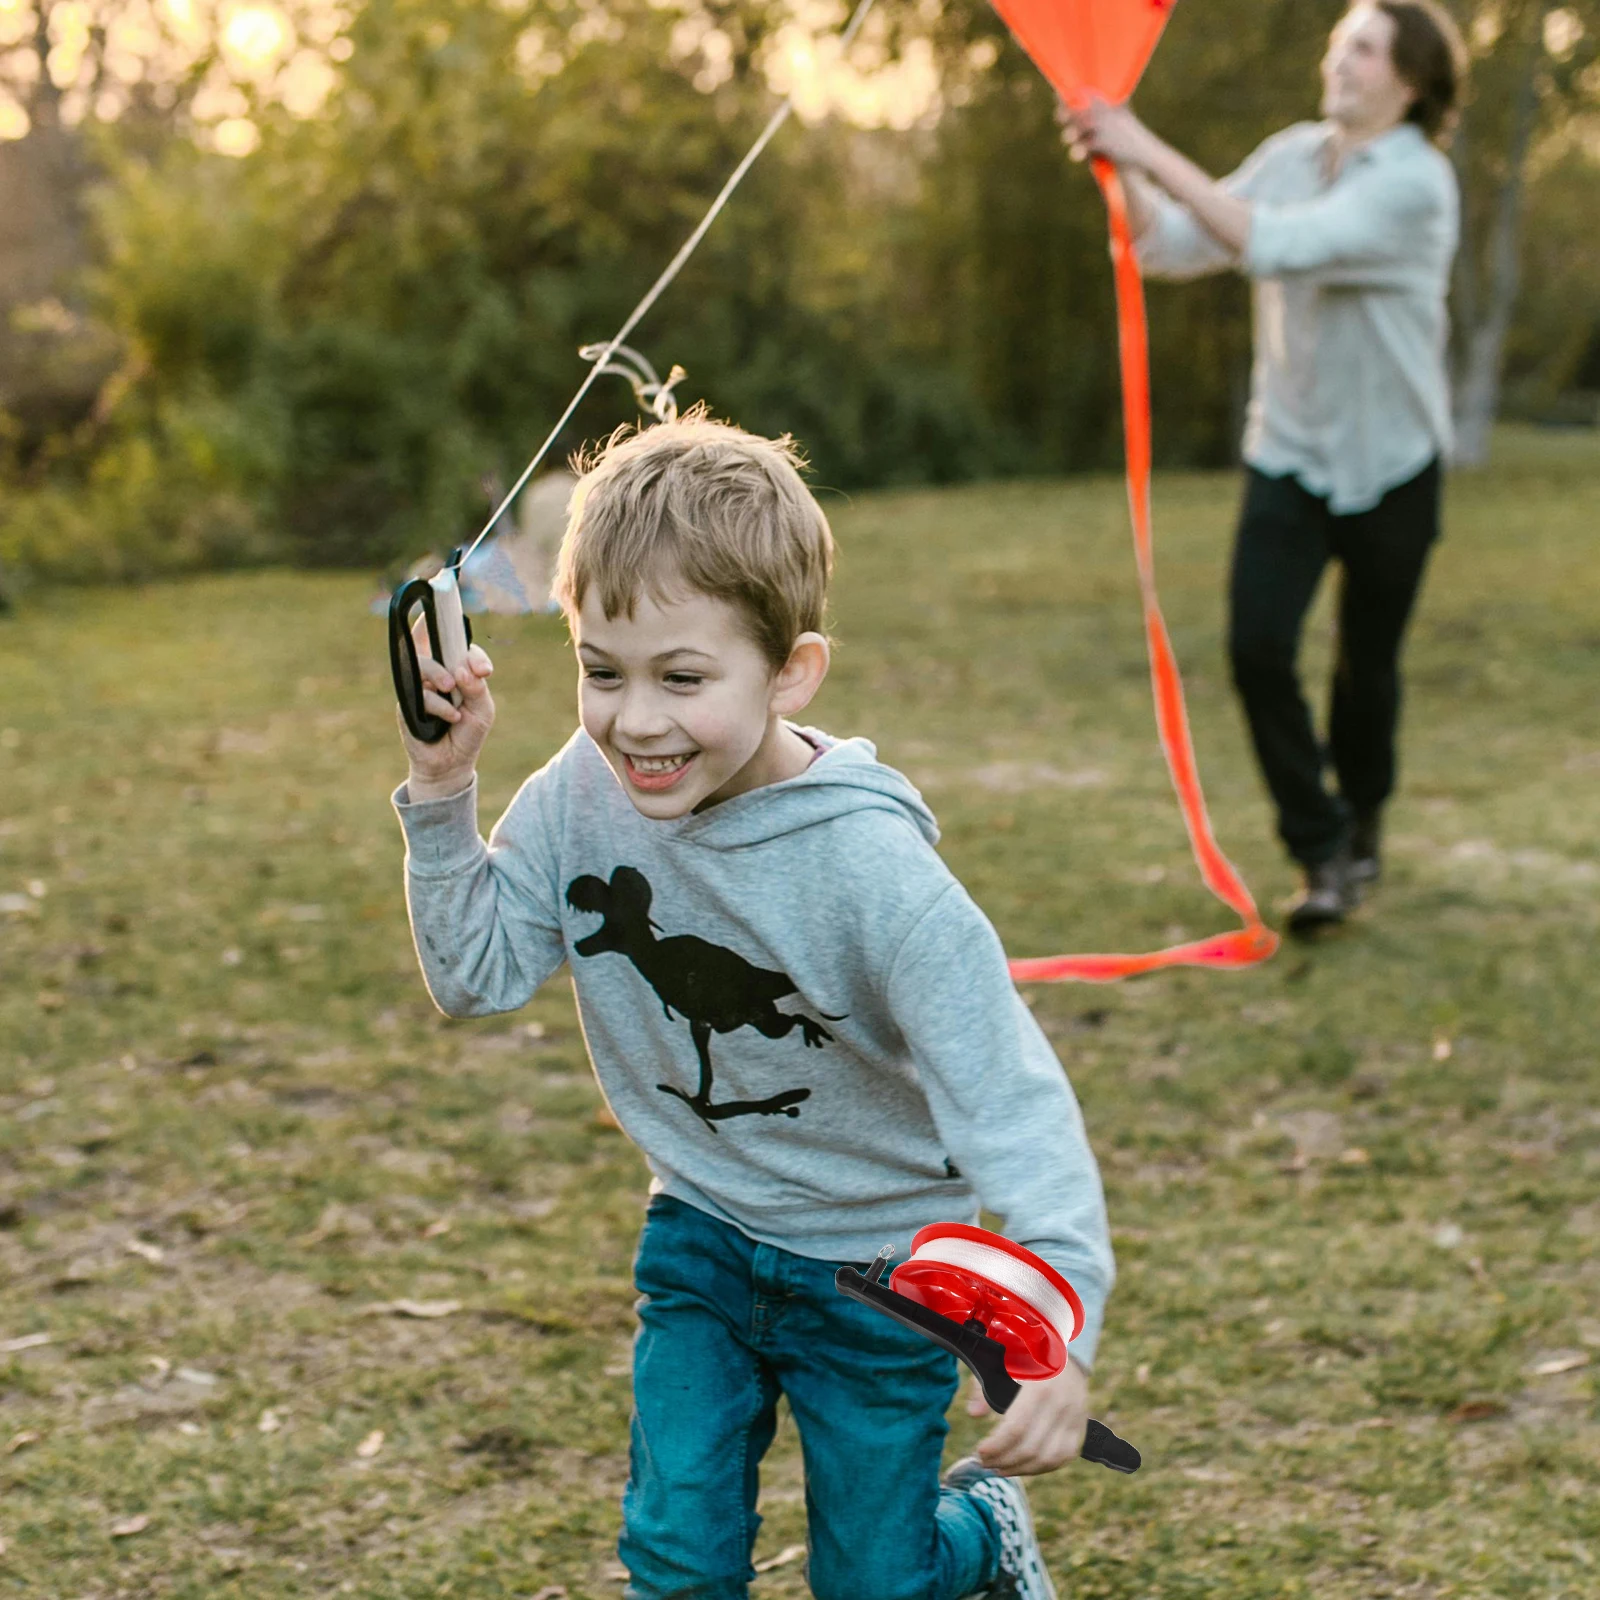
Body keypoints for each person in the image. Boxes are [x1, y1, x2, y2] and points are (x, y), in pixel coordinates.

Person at [392, 411, 1114, 1600]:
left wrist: (1057, 1329)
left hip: (880, 1273)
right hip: (702, 1240)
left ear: (789, 671)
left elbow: (1011, 1106)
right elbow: (474, 973)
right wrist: (442, 786)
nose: (636, 720)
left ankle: (980, 1538)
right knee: (674, 1559)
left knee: (878, 1583)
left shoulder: (880, 878)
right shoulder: (584, 791)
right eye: (599, 670)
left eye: (683, 678)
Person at [1064, 0, 1467, 934]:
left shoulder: (1416, 183)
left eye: (1364, 48)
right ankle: (1320, 850)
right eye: (1340, 44)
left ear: (1408, 79)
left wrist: (1143, 138)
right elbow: (1170, 245)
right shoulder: (1291, 155)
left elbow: (1274, 242)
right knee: (1256, 647)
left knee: (1367, 669)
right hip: (1289, 451)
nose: (1342, 60)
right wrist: (1116, 162)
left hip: (1395, 463)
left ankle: (1361, 824)